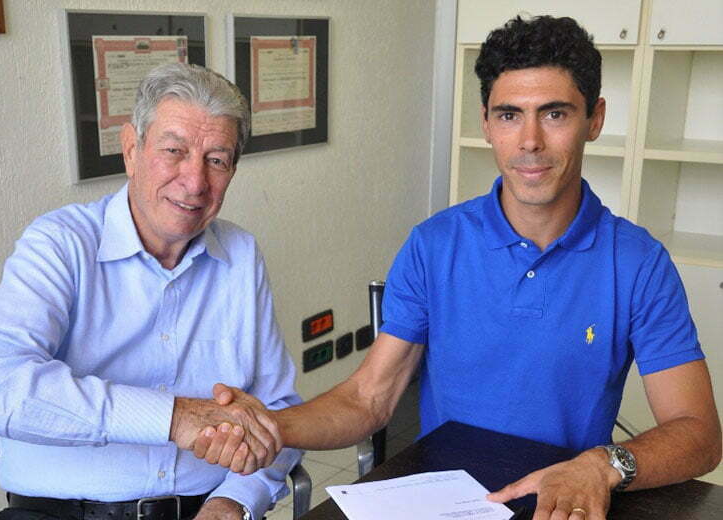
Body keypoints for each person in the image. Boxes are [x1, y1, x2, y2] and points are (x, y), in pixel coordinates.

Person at [197, 15, 721, 520]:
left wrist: (603, 465)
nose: (530, 141)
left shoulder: (638, 262)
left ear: (595, 119)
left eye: (555, 114)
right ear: (486, 122)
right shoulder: (434, 245)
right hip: (447, 503)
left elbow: (697, 432)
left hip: (565, 502)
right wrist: (269, 425)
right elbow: (368, 398)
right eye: (509, 115)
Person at [0, 63, 300, 520]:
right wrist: (173, 417)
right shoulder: (61, 244)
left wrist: (234, 500)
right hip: (61, 514)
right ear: (132, 150)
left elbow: (277, 413)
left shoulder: (241, 255)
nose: (195, 181)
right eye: (174, 151)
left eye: (216, 159)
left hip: (205, 510)